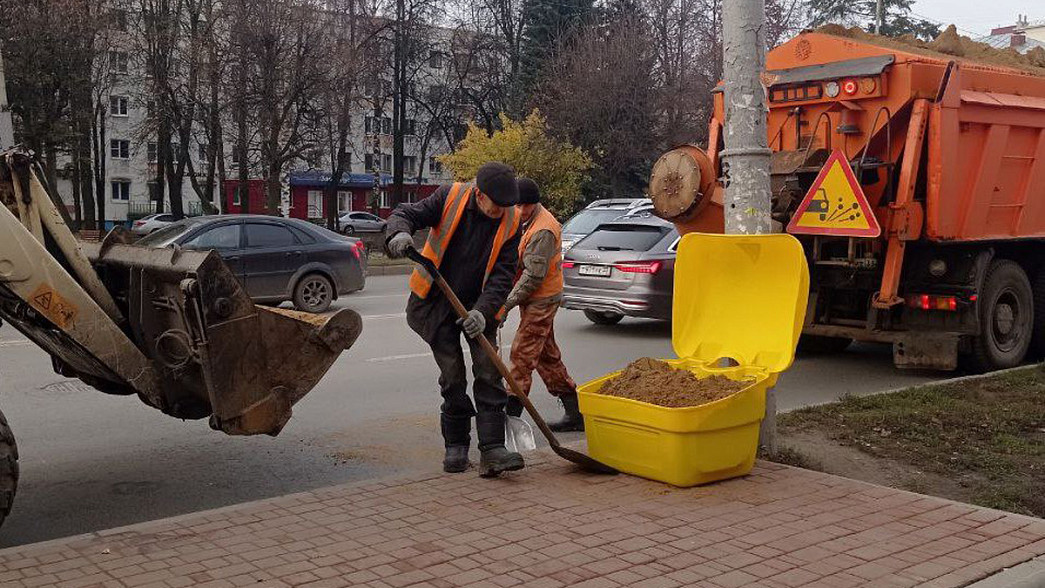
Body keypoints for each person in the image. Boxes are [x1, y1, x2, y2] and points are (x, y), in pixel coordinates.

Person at [384, 162, 525, 477]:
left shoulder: (512, 220)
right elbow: (406, 213)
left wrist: (482, 312)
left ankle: (492, 450)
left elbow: (503, 275)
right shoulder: (450, 197)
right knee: (453, 376)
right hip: (437, 301)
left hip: (479, 304)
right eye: (495, 205)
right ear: (479, 193)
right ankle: (456, 446)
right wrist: (400, 234)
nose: (500, 211)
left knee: (489, 374)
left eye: (506, 206)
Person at [502, 178, 582, 432]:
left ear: (533, 204)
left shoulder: (543, 230)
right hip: (536, 296)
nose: (519, 211)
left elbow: (533, 277)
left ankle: (510, 418)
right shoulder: (525, 220)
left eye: (524, 206)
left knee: (522, 355)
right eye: (517, 205)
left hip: (542, 298)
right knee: (547, 358)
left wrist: (506, 304)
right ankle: (575, 412)